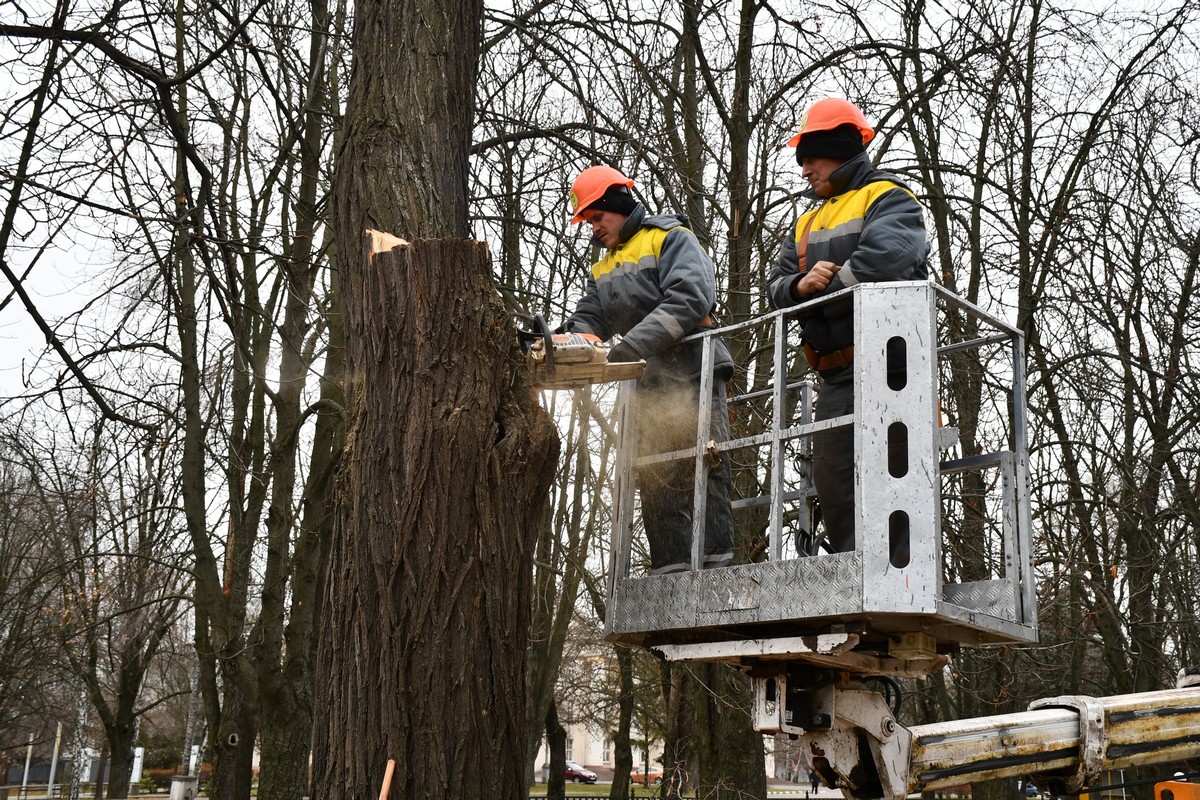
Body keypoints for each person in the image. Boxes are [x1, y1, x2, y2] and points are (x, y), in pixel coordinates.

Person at [766, 98, 929, 554]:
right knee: (835, 482)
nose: (804, 172)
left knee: (894, 481)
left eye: (810, 160)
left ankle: (899, 587)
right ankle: (855, 585)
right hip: (836, 377)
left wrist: (820, 293)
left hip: (892, 370)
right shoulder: (805, 223)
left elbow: (885, 262)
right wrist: (799, 288)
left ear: (837, 150)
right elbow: (775, 286)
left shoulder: (890, 198)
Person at [560, 165, 734, 575]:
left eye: (596, 217)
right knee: (656, 481)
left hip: (695, 373)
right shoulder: (602, 268)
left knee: (706, 469)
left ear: (617, 205)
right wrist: (561, 344)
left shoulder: (670, 237)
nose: (593, 228)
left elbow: (690, 298)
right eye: (587, 221)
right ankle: (670, 578)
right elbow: (588, 320)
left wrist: (630, 348)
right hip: (649, 383)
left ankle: (716, 578)